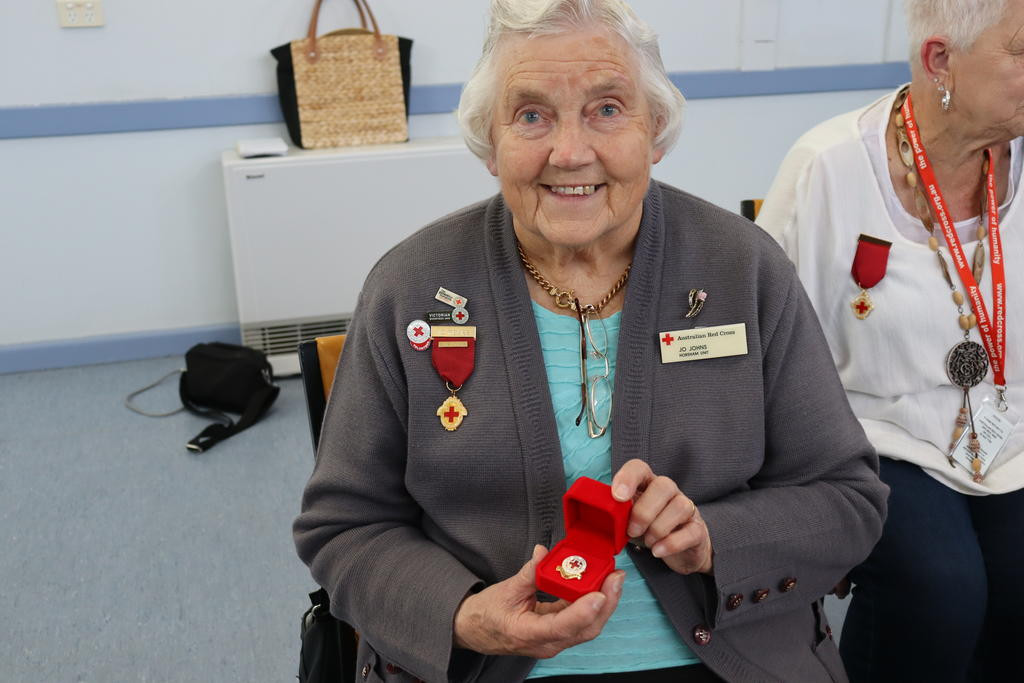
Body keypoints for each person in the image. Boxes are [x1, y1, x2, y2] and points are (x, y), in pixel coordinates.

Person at [294, 1, 887, 681]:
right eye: (532, 115)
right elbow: (343, 527)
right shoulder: (410, 285)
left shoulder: (742, 268)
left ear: (655, 132)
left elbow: (848, 499)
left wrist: (711, 539)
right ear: (490, 142)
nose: (570, 152)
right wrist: (467, 616)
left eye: (607, 109)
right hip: (488, 663)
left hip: (730, 655)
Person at [757, 1, 1024, 680]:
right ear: (941, 61)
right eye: (1021, 51)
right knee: (942, 591)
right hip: (871, 437)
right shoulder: (831, 166)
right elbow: (762, 347)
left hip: (1006, 434)